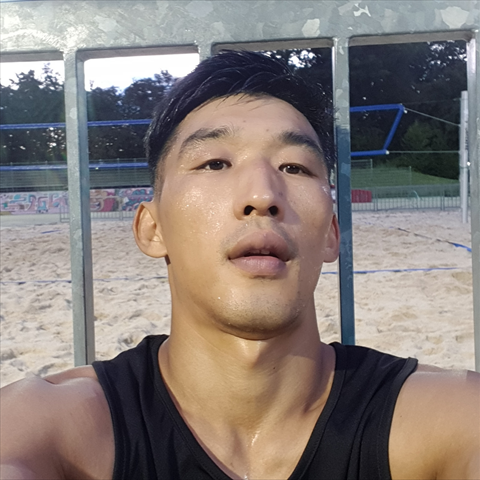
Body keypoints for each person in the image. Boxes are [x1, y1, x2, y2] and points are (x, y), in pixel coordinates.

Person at [1, 50, 478, 480]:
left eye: (295, 167)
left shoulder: (450, 416)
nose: (262, 195)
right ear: (152, 228)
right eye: (214, 163)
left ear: (332, 233)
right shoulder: (49, 425)